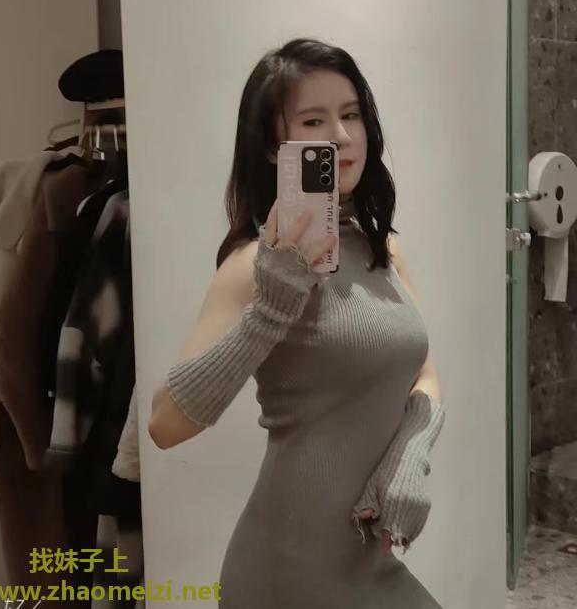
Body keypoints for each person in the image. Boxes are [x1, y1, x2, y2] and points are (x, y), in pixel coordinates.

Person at [148, 38, 446, 608]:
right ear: (272, 147)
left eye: (351, 114)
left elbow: (424, 372)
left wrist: (412, 452)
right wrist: (270, 309)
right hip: (287, 570)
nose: (341, 136)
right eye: (313, 121)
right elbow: (165, 425)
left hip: (367, 562)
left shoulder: (383, 250)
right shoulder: (250, 267)